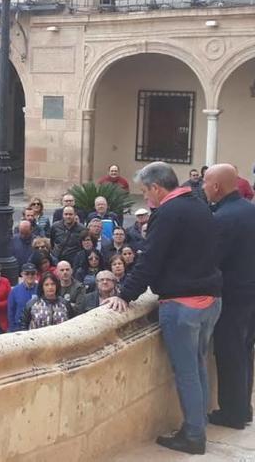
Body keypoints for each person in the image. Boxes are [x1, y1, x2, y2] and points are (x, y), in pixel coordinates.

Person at [103, 162, 222, 455]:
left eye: (145, 192)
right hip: (211, 300)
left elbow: (150, 259)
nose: (145, 199)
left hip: (183, 305)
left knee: (188, 373)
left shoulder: (167, 213)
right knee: (198, 366)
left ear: (157, 188)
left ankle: (194, 437)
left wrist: (125, 294)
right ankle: (198, 426)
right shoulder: (198, 204)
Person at [202, 164, 255, 430]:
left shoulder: (222, 218)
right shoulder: (250, 210)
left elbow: (211, 260)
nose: (203, 188)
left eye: (205, 183)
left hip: (233, 296)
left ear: (216, 187)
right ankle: (244, 408)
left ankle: (232, 413)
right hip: (251, 294)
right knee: (245, 351)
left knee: (230, 353)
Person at [8, 263, 40, 332]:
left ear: (36, 274)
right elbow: (11, 311)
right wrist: (13, 328)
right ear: (22, 274)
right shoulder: (14, 291)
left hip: (37, 327)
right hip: (19, 327)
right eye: (27, 273)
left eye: (33, 273)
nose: (30, 276)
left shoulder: (41, 289)